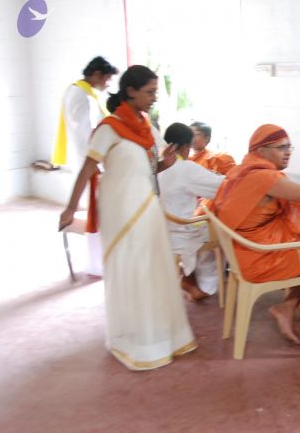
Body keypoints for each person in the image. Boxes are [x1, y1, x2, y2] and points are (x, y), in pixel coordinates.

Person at [58, 65, 196, 371]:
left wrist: (164, 164)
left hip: (148, 207)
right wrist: (70, 208)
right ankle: (134, 340)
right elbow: (88, 169)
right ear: (131, 91)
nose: (154, 98)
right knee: (133, 269)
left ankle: (161, 336)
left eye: (155, 92)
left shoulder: (146, 126)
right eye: (149, 92)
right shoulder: (109, 128)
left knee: (153, 270)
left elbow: (146, 169)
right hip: (122, 210)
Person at [211, 124, 300, 344]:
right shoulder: (264, 177)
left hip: (244, 252)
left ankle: (288, 308)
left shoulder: (240, 171)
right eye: (281, 148)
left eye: (289, 147)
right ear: (261, 150)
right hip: (260, 259)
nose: (288, 152)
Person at [51, 56, 119, 277]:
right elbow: (83, 134)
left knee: (100, 214)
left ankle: (101, 259)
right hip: (90, 164)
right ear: (97, 74)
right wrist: (94, 163)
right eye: (107, 79)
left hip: (93, 162)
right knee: (97, 216)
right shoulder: (79, 94)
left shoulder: (86, 93)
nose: (108, 84)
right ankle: (97, 262)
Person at [158, 122, 224, 301]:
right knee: (222, 234)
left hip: (162, 227)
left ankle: (189, 276)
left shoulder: (158, 165)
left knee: (203, 222)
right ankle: (204, 285)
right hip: (181, 229)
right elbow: (221, 188)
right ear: (186, 146)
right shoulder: (186, 167)